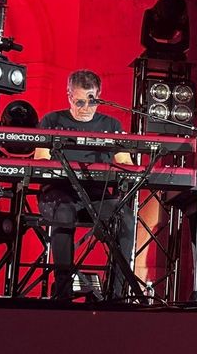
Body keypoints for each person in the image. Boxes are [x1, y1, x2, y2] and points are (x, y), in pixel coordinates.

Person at [34, 69, 136, 300]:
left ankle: (116, 293)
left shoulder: (111, 125)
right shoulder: (52, 121)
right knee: (64, 213)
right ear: (69, 96)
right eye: (79, 102)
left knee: (126, 219)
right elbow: (40, 161)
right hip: (59, 193)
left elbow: (126, 164)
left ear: (99, 96)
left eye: (92, 101)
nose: (85, 108)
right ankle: (63, 289)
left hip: (97, 196)